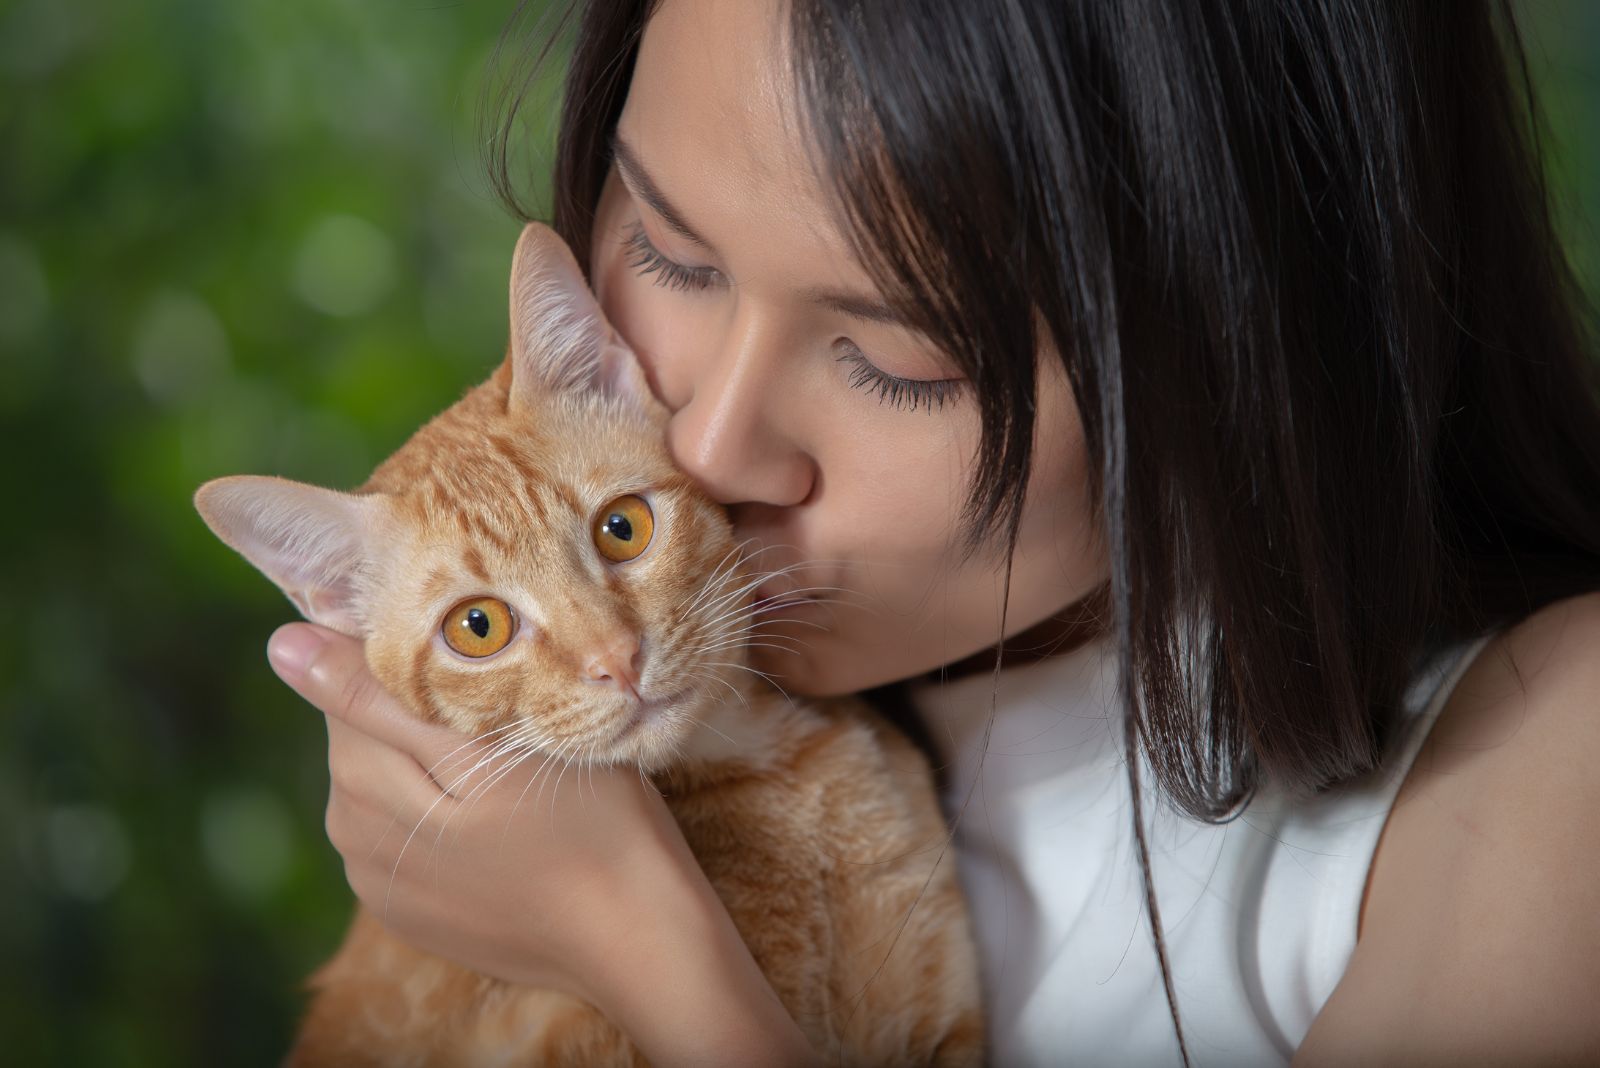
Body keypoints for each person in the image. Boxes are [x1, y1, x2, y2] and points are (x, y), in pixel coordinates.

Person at [261, 0, 1600, 1064]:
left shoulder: (1547, 757)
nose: (713, 448)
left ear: (1243, 345)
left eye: (899, 361)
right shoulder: (654, 701)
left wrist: (643, 951)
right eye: (672, 256)